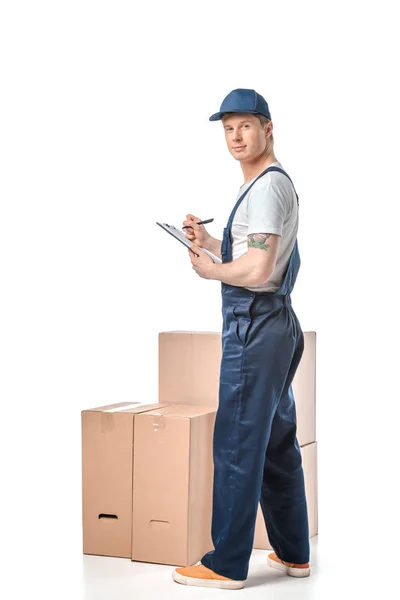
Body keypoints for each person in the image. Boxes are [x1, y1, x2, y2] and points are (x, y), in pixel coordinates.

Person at [172, 89, 310, 590]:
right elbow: (252, 250)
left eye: (245, 126)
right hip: (273, 325)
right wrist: (208, 243)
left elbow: (259, 267)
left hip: (256, 327)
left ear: (267, 128)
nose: (235, 136)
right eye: (228, 128)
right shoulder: (257, 186)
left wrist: (211, 271)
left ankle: (225, 564)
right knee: (274, 442)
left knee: (235, 444)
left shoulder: (269, 186)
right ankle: (294, 553)